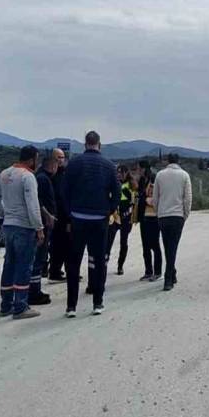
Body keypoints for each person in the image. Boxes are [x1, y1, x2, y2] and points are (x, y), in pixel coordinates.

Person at [63, 131, 119, 317]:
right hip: (99, 220)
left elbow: (65, 191)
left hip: (78, 218)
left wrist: (70, 213)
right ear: (99, 144)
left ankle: (71, 307)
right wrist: (108, 211)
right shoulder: (109, 166)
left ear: (85, 144)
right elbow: (117, 194)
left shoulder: (74, 163)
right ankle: (98, 303)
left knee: (74, 262)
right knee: (98, 262)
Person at [0, 146, 45, 320]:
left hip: (8, 226)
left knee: (9, 265)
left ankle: (6, 305)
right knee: (24, 266)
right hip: (24, 227)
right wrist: (39, 228)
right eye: (37, 159)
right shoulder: (28, 177)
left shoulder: (5, 174)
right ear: (32, 159)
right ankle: (20, 306)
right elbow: (32, 205)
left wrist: (4, 214)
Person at [153, 153, 192, 291]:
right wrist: (185, 214)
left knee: (167, 245)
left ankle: (172, 272)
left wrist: (158, 212)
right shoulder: (184, 176)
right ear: (179, 161)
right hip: (177, 216)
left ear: (167, 161)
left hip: (163, 215)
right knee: (173, 246)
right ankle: (168, 278)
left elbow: (155, 198)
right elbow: (187, 198)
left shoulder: (160, 175)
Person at [29, 152, 58, 305]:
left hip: (43, 223)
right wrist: (48, 216)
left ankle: (35, 290)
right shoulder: (42, 179)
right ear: (52, 165)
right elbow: (38, 202)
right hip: (42, 225)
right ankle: (34, 292)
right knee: (38, 258)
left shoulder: (41, 177)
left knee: (40, 258)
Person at [137, 161, 162, 282]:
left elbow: (157, 196)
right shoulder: (142, 180)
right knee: (145, 246)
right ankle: (148, 271)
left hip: (153, 217)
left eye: (139, 169)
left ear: (144, 168)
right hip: (143, 217)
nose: (138, 171)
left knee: (155, 245)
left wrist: (146, 199)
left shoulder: (154, 179)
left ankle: (157, 272)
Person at [47, 148, 70, 283]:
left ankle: (67, 271)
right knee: (56, 246)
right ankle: (54, 271)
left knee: (67, 245)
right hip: (54, 216)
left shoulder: (66, 173)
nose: (61, 160)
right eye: (58, 157)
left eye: (62, 157)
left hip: (65, 215)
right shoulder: (50, 175)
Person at [113, 165, 135, 275]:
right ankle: (104, 261)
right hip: (115, 216)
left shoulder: (130, 184)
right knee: (108, 241)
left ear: (126, 173)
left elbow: (133, 202)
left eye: (121, 172)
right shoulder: (114, 183)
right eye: (117, 172)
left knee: (123, 242)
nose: (118, 174)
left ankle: (120, 265)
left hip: (126, 218)